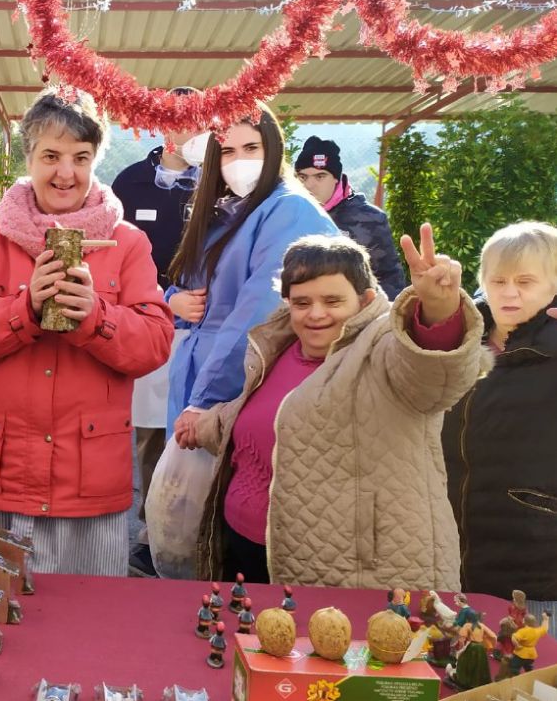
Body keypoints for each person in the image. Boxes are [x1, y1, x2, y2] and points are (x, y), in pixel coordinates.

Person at [0, 89, 175, 576]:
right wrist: (23, 309)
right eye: (51, 156)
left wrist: (96, 316)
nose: (66, 173)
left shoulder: (127, 244)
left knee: (82, 633)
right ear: (29, 158)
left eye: (80, 158)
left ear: (95, 161)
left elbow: (154, 342)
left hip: (85, 486)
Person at [184, 230, 489, 589]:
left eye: (332, 301)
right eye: (301, 302)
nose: (315, 314)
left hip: (347, 570)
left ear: (365, 300)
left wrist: (438, 311)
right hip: (246, 550)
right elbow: (268, 419)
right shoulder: (279, 346)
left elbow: (431, 375)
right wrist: (205, 424)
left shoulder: (383, 348)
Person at [165, 102, 339, 441]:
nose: (238, 161)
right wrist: (175, 301)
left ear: (272, 148)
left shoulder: (289, 210)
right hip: (200, 374)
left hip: (242, 384)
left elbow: (258, 314)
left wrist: (206, 398)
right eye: (227, 151)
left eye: (251, 148)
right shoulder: (228, 212)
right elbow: (191, 283)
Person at [442, 222, 557, 634]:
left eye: (526, 281)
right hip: (447, 566)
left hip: (537, 573)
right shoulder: (457, 341)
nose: (509, 292)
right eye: (498, 280)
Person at [109, 86, 204, 577]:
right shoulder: (130, 181)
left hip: (204, 328)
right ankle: (149, 532)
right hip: (149, 322)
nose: (179, 130)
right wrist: (166, 300)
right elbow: (112, 255)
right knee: (149, 434)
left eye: (189, 120)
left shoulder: (217, 183)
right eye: (170, 119)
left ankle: (193, 532)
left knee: (195, 430)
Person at [295, 136, 407, 299]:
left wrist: (379, 319)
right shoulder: (291, 215)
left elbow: (389, 278)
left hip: (357, 316)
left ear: (336, 178)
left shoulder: (370, 219)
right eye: (303, 177)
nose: (309, 185)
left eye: (320, 176)